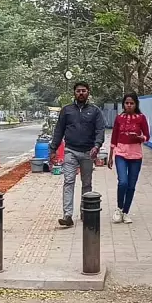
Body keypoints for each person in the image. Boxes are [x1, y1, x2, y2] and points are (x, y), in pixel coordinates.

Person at [49, 82, 106, 227]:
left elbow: (100, 130)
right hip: (70, 151)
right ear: (74, 93)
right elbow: (59, 130)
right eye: (78, 91)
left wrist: (97, 146)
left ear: (88, 92)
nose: (81, 93)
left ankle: (85, 212)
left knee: (86, 183)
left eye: (84, 91)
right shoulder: (66, 110)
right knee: (69, 181)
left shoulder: (95, 111)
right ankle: (67, 215)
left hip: (88, 152)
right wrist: (53, 149)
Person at [107, 92, 150, 224]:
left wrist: (140, 138)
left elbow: (147, 136)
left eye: (132, 103)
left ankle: (126, 212)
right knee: (123, 182)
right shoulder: (119, 118)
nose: (129, 105)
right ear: (123, 104)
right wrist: (110, 156)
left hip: (136, 156)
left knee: (131, 185)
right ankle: (119, 209)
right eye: (127, 103)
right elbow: (114, 137)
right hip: (120, 154)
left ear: (136, 104)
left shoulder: (141, 118)